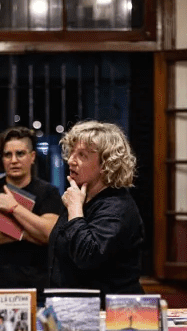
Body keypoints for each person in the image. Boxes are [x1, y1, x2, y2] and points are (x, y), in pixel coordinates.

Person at [47, 120, 145, 294]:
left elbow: (88, 256)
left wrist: (75, 210)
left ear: (106, 165)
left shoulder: (118, 206)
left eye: (82, 155)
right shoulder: (81, 198)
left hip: (110, 307)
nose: (71, 160)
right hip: (72, 305)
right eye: (71, 152)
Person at [0, 127, 63, 290]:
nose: (14, 160)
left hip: (36, 287)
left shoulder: (49, 192)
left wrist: (14, 208)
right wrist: (28, 233)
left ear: (32, 156)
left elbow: (49, 234)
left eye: (20, 154)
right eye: (8, 155)